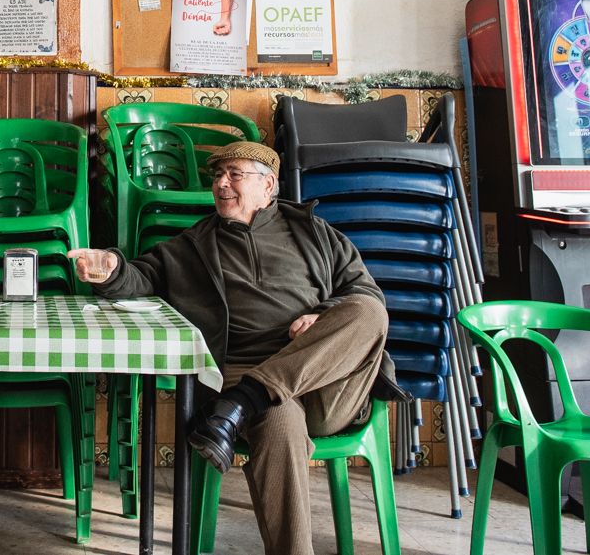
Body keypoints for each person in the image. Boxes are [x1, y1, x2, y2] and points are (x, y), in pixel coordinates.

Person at [69, 141, 405, 555]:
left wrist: (324, 315)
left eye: (234, 174)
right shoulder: (194, 246)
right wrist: (110, 268)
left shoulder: (316, 234)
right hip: (249, 381)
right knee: (277, 417)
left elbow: (365, 292)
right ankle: (252, 399)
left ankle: (247, 399)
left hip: (328, 385)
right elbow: (143, 274)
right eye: (217, 175)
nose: (221, 183)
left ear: (268, 186)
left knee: (370, 314)